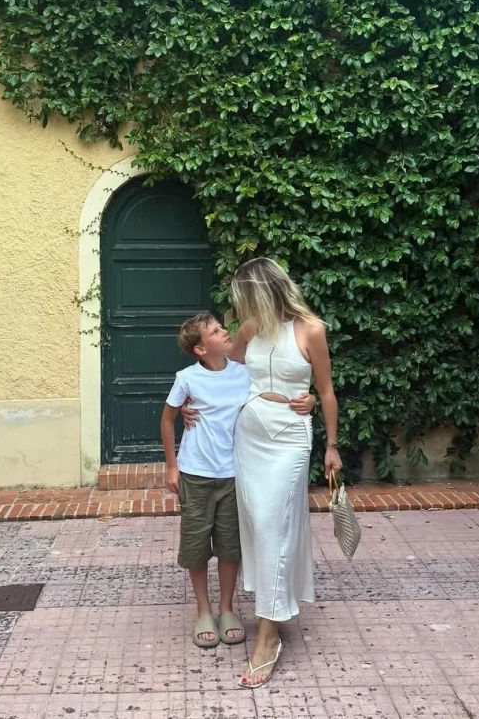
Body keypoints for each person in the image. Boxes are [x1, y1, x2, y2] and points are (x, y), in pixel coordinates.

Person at [182, 258, 342, 688]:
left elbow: (326, 389)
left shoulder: (311, 329)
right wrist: (188, 403)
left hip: (290, 437)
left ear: (264, 291)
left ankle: (268, 637)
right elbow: (222, 369)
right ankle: (273, 607)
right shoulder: (251, 328)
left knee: (273, 524)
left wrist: (331, 444)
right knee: (259, 526)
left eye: (245, 297)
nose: (240, 308)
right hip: (249, 434)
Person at [161, 312, 316, 650]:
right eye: (216, 331)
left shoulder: (244, 373)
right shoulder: (186, 378)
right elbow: (167, 418)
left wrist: (311, 398)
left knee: (231, 546)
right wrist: (172, 466)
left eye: (221, 327)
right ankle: (203, 610)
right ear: (201, 349)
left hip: (235, 472)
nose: (225, 331)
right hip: (196, 474)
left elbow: (277, 389)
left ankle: (227, 608)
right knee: (196, 545)